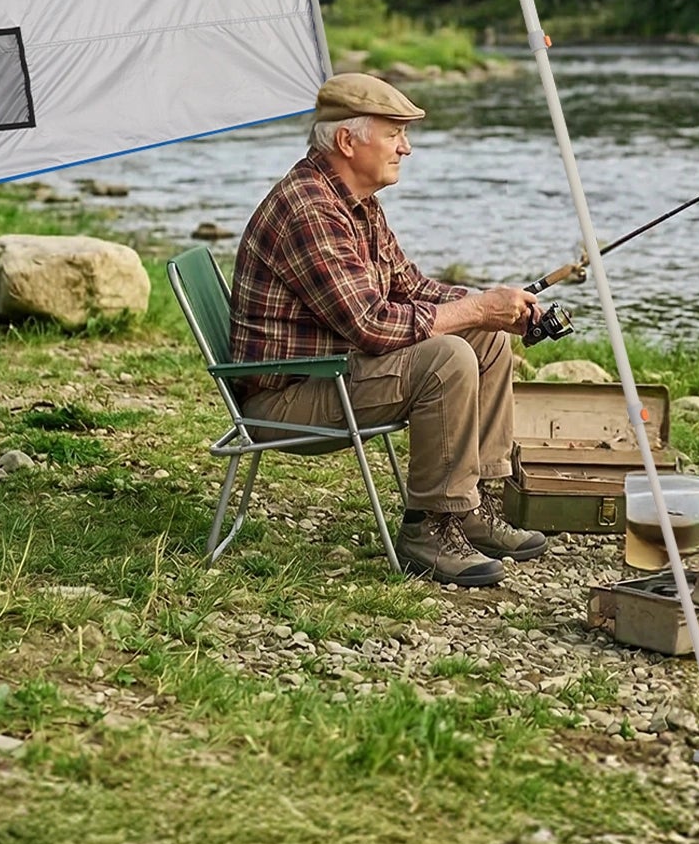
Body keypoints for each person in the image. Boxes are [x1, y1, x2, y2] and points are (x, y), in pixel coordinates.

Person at [229, 72, 549, 587]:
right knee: (446, 358)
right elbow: (373, 325)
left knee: (485, 339)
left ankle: (471, 507)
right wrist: (477, 309)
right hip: (287, 400)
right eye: (395, 132)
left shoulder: (356, 202)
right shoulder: (309, 209)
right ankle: (430, 530)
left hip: (330, 377)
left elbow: (410, 287)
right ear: (346, 140)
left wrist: (497, 306)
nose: (407, 147)